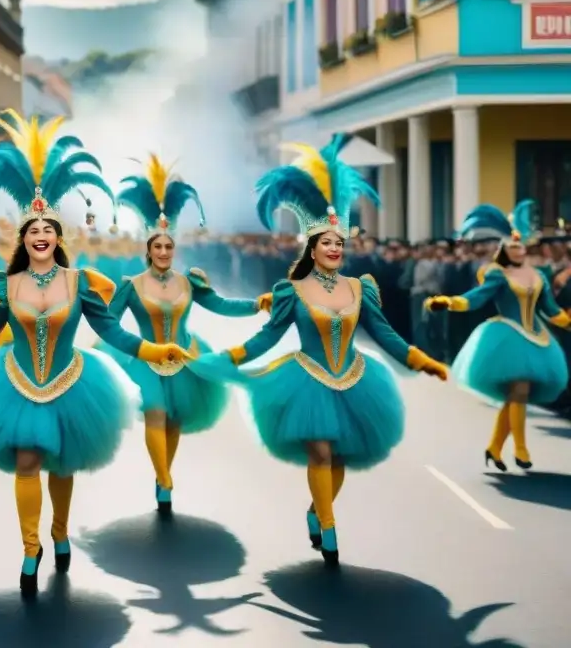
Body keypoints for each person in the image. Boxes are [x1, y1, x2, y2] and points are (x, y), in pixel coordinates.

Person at [0, 110, 192, 596]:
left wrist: (153, 347)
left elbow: (114, 332)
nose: (41, 237)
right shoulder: (7, 283)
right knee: (25, 462)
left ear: (59, 237)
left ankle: (60, 529)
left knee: (61, 465)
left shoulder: (80, 284)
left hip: (71, 385)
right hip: (13, 383)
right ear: (25, 239)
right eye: (33, 231)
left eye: (48, 230)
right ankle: (30, 546)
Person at [191, 136, 448, 567]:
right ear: (312, 247)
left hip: (353, 380)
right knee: (321, 452)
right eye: (326, 243)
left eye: (339, 243)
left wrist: (420, 359)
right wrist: (234, 356)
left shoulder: (359, 288)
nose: (334, 249)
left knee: (340, 455)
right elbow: (267, 338)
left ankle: (316, 509)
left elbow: (384, 335)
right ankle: (328, 525)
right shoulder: (292, 291)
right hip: (306, 379)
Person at [98, 153, 272, 514]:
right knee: (156, 413)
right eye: (157, 246)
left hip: (185, 359)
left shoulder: (189, 282)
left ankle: (164, 473)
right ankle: (164, 479)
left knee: (174, 419)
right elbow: (107, 321)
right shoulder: (131, 285)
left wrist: (256, 304)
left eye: (168, 246)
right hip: (146, 358)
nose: (163, 252)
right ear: (148, 250)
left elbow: (221, 304)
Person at [425, 200, 571, 471]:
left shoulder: (538, 276)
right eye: (512, 246)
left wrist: (567, 321)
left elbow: (550, 310)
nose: (517, 249)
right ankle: (521, 448)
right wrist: (448, 301)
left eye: (520, 245)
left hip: (537, 338)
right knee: (519, 390)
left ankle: (494, 447)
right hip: (508, 338)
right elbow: (476, 298)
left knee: (517, 395)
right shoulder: (498, 275)